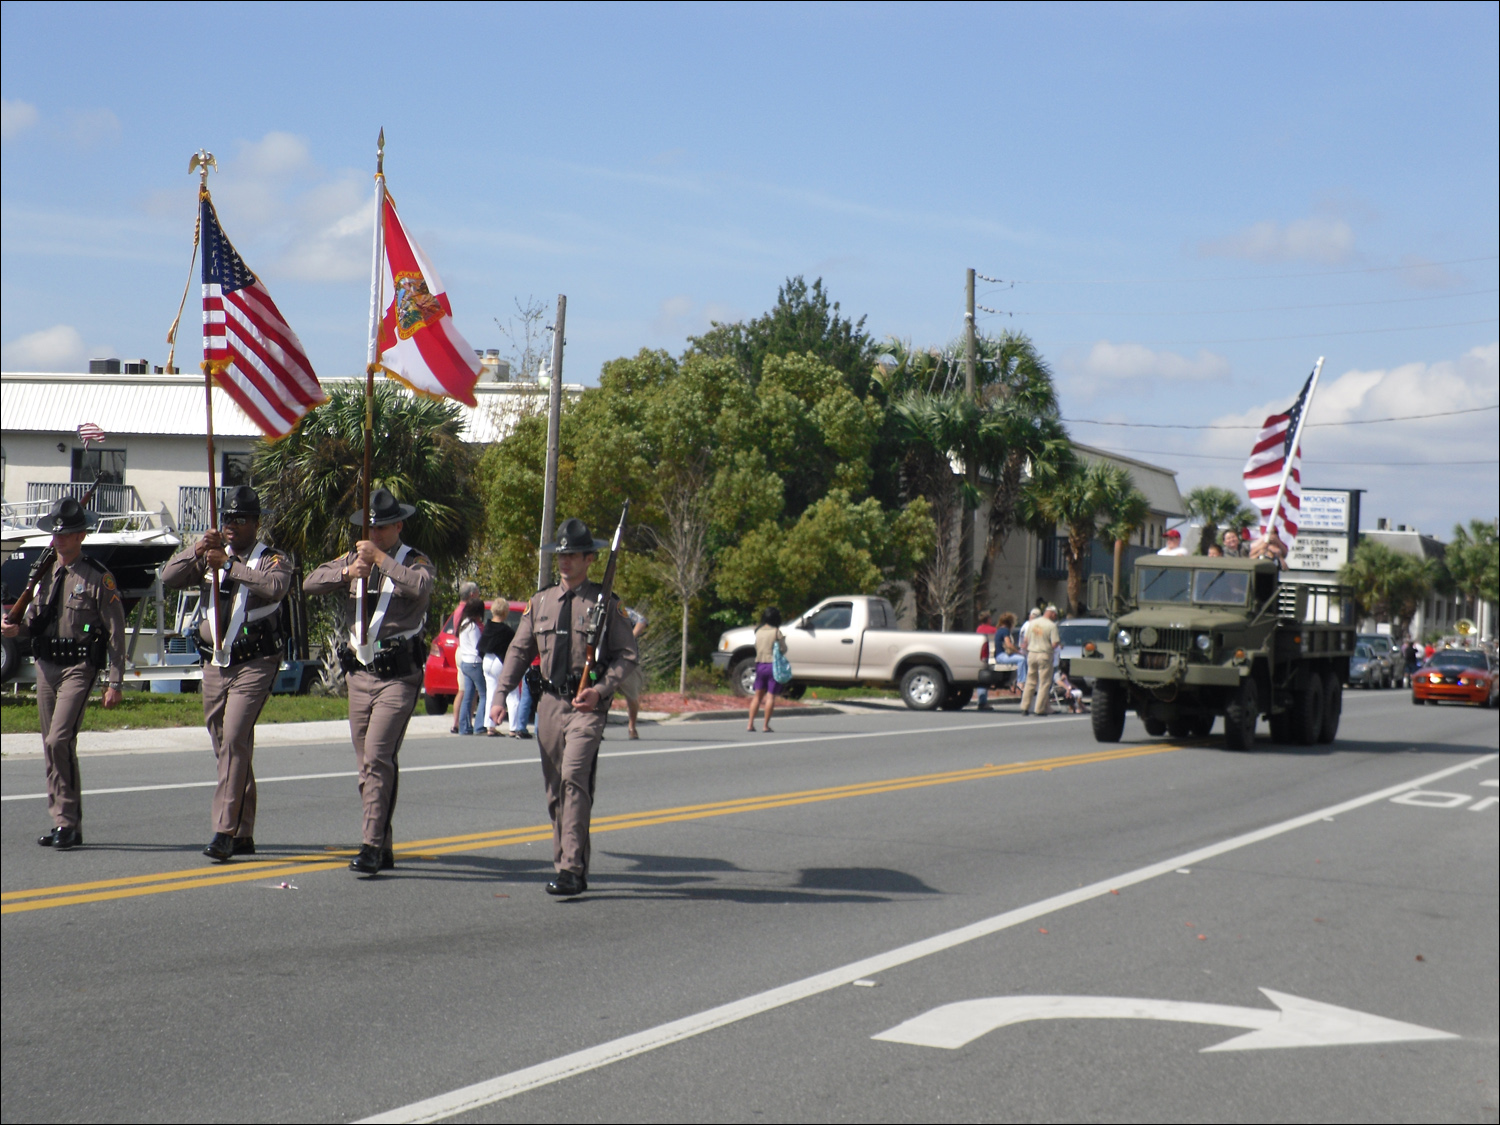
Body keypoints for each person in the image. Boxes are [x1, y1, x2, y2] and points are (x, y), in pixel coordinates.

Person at [494, 517, 639, 897]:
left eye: (573, 555)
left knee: (575, 778)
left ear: (590, 558)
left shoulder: (606, 604)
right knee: (556, 790)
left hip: (586, 707)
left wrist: (603, 688)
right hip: (549, 706)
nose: (565, 561)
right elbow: (518, 651)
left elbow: (627, 655)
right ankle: (565, 862)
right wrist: (499, 695)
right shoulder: (540, 602)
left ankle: (572, 869)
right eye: (561, 555)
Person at [303, 488, 433, 877]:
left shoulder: (416, 560)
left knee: (378, 757)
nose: (374, 535)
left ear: (398, 526)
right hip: (360, 673)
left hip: (398, 676)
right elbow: (310, 582)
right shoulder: (354, 558)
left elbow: (421, 587)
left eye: (382, 529)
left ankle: (372, 845)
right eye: (370, 529)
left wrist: (381, 561)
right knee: (366, 765)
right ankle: (383, 840)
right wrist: (347, 573)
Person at [160, 486, 292, 862]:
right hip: (216, 661)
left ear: (255, 523)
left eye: (240, 519)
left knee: (234, 737)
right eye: (227, 518)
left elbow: (275, 587)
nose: (232, 525)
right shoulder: (212, 554)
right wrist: (200, 549)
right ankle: (244, 830)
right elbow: (169, 577)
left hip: (255, 662)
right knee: (226, 745)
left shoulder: (271, 559)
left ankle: (223, 830)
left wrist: (230, 566)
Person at [2, 496, 125, 850]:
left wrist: (114, 681)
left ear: (81, 536)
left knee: (60, 740)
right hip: (46, 665)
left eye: (66, 534)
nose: (58, 539)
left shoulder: (98, 577)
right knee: (50, 747)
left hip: (78, 667)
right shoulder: (43, 575)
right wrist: (15, 629)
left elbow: (115, 632)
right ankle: (62, 823)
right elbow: (35, 623)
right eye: (55, 533)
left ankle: (69, 822)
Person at [747, 607, 787, 732]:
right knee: (770, 696)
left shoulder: (758, 631)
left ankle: (750, 724)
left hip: (759, 664)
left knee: (757, 696)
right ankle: (765, 725)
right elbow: (783, 649)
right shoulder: (776, 632)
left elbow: (756, 646)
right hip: (772, 666)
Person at [479, 603, 515, 737]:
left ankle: (490, 726)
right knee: (512, 693)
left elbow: (480, 646)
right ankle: (514, 727)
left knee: (491, 694)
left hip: (487, 660)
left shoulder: (487, 627)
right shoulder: (507, 631)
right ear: (505, 612)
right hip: (500, 661)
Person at [1018, 605, 1061, 716]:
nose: (1055, 617)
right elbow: (1055, 643)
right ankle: (1039, 709)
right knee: (1044, 683)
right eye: (1055, 615)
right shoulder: (1052, 626)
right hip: (1044, 654)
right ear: (1051, 613)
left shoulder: (1032, 623)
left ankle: (1024, 707)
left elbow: (1025, 640)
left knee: (1030, 681)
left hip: (1032, 654)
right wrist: (1057, 647)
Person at [453, 597, 486, 735]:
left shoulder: (464, 624)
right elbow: (478, 646)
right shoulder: (473, 627)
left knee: (468, 694)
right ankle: (479, 725)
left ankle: (464, 726)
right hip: (474, 663)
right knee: (485, 694)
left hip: (465, 662)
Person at [618, 606, 649, 739]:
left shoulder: (618, 608)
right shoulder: (590, 610)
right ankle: (598, 729)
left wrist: (628, 639)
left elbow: (641, 620)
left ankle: (632, 727)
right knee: (598, 695)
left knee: (632, 696)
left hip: (626, 661)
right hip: (601, 662)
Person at [992, 612, 1025, 691]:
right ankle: (1020, 682)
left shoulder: (999, 630)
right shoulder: (1005, 630)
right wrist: (1018, 652)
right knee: (1022, 659)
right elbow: (1008, 644)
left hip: (998, 655)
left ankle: (1014, 681)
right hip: (1002, 656)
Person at [974, 610, 997, 711]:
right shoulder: (993, 630)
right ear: (988, 619)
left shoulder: (979, 629)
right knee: (985, 680)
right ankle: (982, 702)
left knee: (981, 679)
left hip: (979, 655)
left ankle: (981, 700)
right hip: (989, 656)